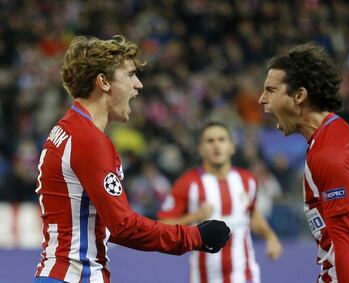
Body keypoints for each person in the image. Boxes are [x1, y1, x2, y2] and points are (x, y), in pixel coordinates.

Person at [33, 35, 230, 283]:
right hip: (76, 277)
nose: (138, 85)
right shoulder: (89, 140)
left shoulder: (65, 130)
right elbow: (123, 226)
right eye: (130, 75)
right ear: (103, 82)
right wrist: (194, 236)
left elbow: (102, 221)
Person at [258, 43, 349, 282]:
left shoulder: (331, 154)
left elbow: (346, 242)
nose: (261, 100)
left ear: (299, 95)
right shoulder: (330, 139)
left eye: (270, 90)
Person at [158, 121, 282, 283]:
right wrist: (195, 217)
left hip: (245, 274)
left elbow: (251, 214)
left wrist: (270, 236)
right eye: (210, 141)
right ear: (200, 149)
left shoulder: (247, 180)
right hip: (204, 277)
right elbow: (163, 225)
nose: (216, 146)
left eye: (222, 140)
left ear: (231, 146)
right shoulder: (188, 183)